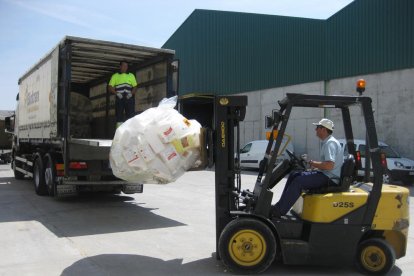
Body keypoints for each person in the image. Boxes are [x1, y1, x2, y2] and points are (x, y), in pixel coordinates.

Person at [271, 118, 344, 218]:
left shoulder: (329, 143)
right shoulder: (327, 142)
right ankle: (280, 206)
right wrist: (315, 167)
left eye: (317, 127)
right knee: (294, 175)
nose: (315, 130)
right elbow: (328, 165)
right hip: (326, 174)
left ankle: (279, 211)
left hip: (329, 178)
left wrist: (313, 163)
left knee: (299, 182)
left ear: (323, 129)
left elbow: (329, 165)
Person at [108, 60, 138, 127]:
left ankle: (130, 133)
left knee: (131, 117)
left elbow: (135, 86)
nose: (125, 67)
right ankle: (119, 133)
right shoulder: (115, 76)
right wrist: (117, 93)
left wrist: (131, 94)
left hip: (129, 98)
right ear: (120, 66)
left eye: (126, 66)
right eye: (124, 66)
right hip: (119, 98)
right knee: (119, 117)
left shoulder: (131, 75)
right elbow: (110, 87)